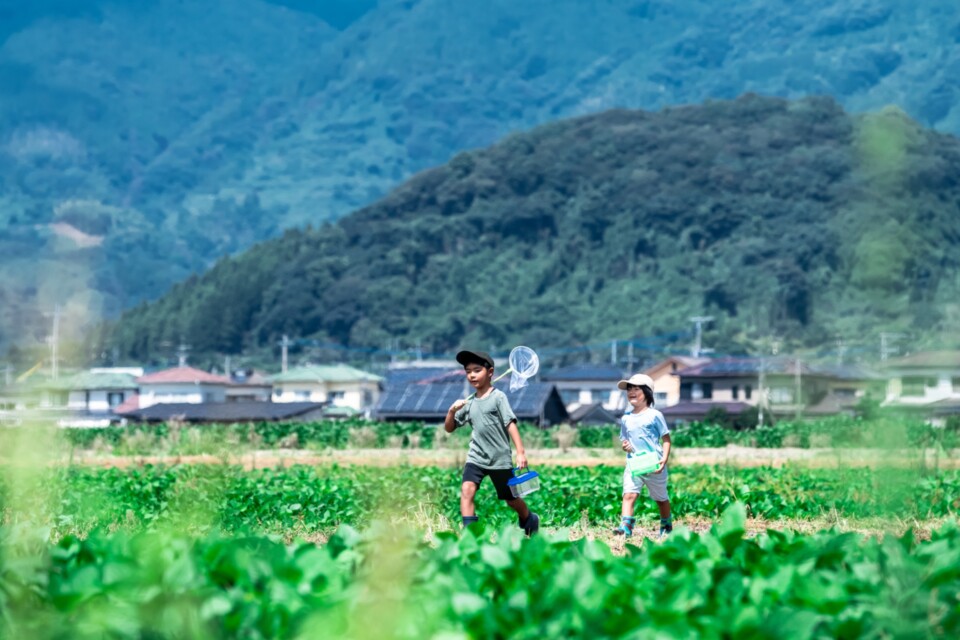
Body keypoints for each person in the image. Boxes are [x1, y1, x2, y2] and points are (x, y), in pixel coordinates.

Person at [445, 349, 539, 535]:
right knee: (467, 490)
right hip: (476, 457)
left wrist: (520, 452)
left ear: (490, 372)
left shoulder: (498, 397)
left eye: (477, 370)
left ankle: (529, 518)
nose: (472, 375)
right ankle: (469, 535)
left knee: (511, 499)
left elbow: (510, 424)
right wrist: (451, 411)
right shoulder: (468, 402)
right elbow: (449, 428)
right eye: (468, 371)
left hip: (499, 459)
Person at [613, 373, 673, 538]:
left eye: (636, 389)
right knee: (629, 494)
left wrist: (664, 459)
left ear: (647, 392)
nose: (631, 392)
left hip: (654, 464)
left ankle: (666, 525)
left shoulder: (655, 415)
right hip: (634, 464)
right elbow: (625, 440)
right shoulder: (626, 418)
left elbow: (666, 439)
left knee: (661, 499)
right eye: (629, 389)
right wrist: (625, 446)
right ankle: (626, 526)